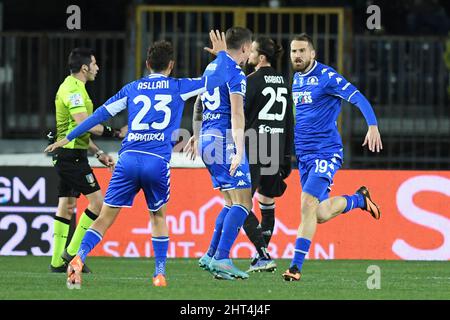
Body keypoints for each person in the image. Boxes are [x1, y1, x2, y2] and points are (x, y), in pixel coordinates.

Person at [45, 31, 232, 289]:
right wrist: (222, 55)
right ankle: (159, 273)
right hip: (156, 161)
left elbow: (98, 115)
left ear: (147, 64)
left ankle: (78, 258)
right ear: (171, 65)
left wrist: (69, 137)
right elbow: (219, 78)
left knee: (105, 217)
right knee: (158, 216)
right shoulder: (178, 86)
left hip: (128, 159)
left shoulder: (132, 89)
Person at [282, 33, 383, 281]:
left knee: (307, 204)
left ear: (312, 53)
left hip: (326, 153)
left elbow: (357, 96)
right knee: (321, 213)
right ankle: (359, 200)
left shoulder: (327, 77)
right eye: (294, 51)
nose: (297, 55)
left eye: (302, 51)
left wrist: (372, 125)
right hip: (304, 157)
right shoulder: (296, 79)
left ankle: (295, 267)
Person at [184, 27, 253, 281]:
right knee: (245, 203)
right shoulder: (235, 73)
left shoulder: (211, 68)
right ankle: (222, 258)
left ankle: (211, 255)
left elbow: (198, 104)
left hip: (207, 141)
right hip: (224, 141)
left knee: (229, 201)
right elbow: (237, 114)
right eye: (250, 49)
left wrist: (197, 134)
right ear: (245, 48)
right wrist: (238, 150)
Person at [49, 48, 124, 274]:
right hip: (70, 157)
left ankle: (56, 263)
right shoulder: (73, 90)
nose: (97, 68)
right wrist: (115, 133)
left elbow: (77, 130)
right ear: (84, 68)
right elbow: (85, 124)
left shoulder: (74, 87)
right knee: (98, 204)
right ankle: (72, 254)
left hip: (73, 153)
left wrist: (98, 152)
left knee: (67, 206)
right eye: (94, 64)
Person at [242, 36, 294, 273]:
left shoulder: (251, 81)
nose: (249, 54)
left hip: (253, 145)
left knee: (239, 204)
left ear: (261, 57)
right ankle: (261, 256)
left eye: (252, 51)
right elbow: (288, 121)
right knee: (267, 201)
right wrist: (286, 156)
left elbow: (239, 116)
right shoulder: (283, 82)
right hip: (275, 146)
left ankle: (262, 254)